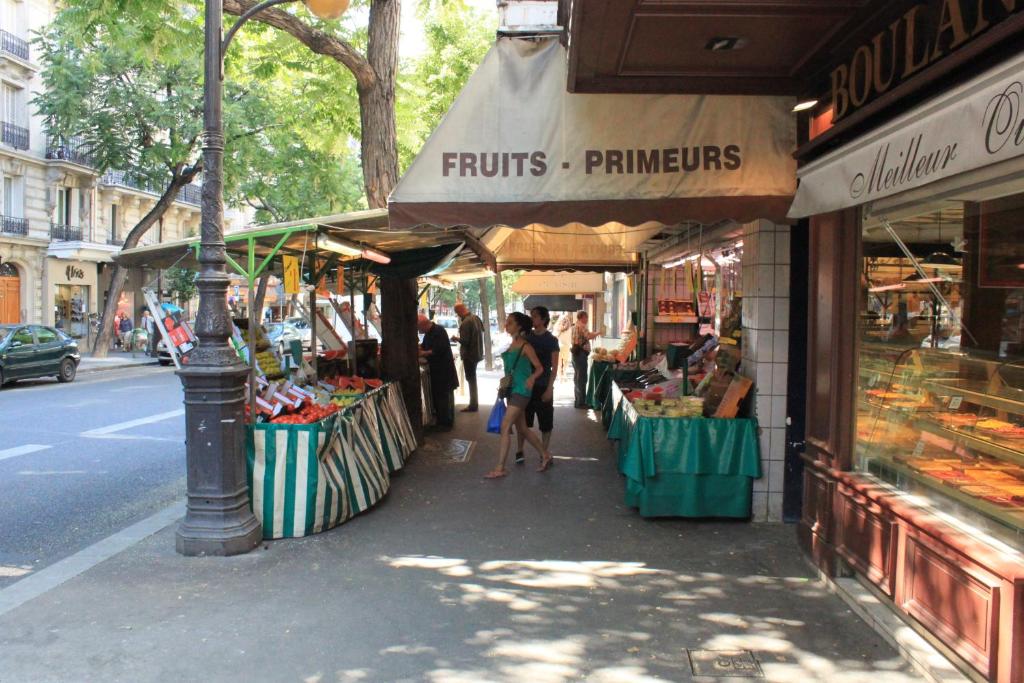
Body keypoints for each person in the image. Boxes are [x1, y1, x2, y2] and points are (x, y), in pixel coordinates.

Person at [486, 312, 553, 478]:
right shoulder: (513, 344)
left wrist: (531, 378)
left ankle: (500, 467)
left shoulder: (525, 346)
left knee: (505, 426)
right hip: (513, 390)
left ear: (519, 326)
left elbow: (540, 368)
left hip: (521, 391)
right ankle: (545, 455)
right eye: (506, 322)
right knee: (522, 428)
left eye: (510, 323)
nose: (506, 325)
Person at [515, 306, 559, 464]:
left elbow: (554, 367)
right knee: (523, 421)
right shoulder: (526, 337)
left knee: (545, 423)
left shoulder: (551, 340)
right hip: (527, 385)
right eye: (531, 316)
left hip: (542, 385)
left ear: (543, 319)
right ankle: (519, 450)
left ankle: (544, 452)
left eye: (534, 316)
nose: (531, 319)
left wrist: (550, 388)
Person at [418, 314, 459, 430]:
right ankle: (442, 421)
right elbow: (425, 346)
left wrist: (423, 353)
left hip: (443, 370)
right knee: (439, 397)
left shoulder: (439, 331)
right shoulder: (429, 333)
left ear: (424, 324)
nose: (419, 330)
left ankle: (445, 423)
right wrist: (420, 348)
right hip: (437, 370)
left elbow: (438, 350)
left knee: (443, 397)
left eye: (419, 328)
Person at [452, 303, 484, 412]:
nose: (457, 315)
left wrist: (456, 338)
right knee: (472, 379)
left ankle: (473, 404)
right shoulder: (476, 318)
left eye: (457, 312)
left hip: (469, 355)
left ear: (460, 310)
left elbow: (465, 341)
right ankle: (474, 403)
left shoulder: (466, 322)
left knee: (471, 379)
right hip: (477, 353)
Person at [571, 310, 600, 409]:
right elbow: (589, 336)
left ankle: (577, 400)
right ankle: (581, 402)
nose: (587, 319)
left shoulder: (575, 326)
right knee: (582, 378)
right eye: (585, 317)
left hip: (575, 354)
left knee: (577, 378)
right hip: (580, 354)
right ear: (581, 317)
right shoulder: (582, 326)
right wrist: (598, 333)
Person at [554, 313, 573, 382]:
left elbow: (554, 337)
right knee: (565, 362)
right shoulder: (570, 329)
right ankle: (564, 374)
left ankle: (560, 376)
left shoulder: (557, 328)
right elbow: (571, 338)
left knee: (559, 362)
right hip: (566, 346)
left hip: (558, 346)